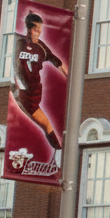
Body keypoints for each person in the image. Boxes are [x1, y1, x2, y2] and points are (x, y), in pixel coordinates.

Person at [13, 12, 68, 153]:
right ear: (29, 29)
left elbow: (58, 62)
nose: (39, 33)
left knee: (47, 125)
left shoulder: (41, 47)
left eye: (40, 30)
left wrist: (70, 78)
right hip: (21, 93)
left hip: (34, 95)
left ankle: (59, 154)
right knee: (45, 125)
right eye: (36, 29)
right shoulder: (18, 43)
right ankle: (58, 152)